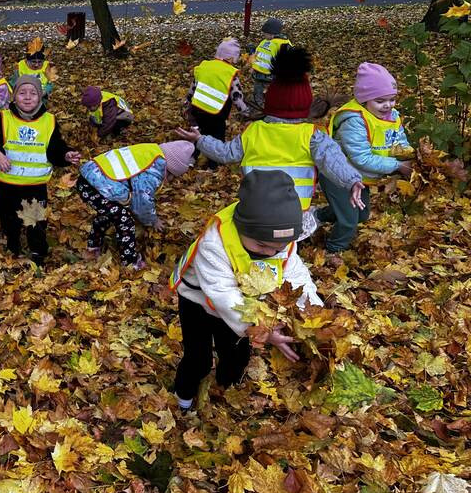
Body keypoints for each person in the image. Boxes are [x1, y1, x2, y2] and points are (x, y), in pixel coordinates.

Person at [169, 171, 321, 410]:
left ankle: (226, 390)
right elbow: (223, 295)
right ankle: (183, 399)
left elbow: (297, 277)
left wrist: (315, 314)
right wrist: (261, 330)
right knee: (198, 358)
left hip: (241, 303)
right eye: (261, 245)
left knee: (236, 355)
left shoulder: (281, 242)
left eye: (278, 248)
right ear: (243, 228)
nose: (270, 253)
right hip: (198, 301)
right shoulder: (214, 243)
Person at [179, 45, 364, 236]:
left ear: (271, 101)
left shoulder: (254, 131)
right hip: (293, 212)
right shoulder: (313, 136)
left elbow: (225, 153)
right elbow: (333, 161)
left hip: (256, 209)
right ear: (305, 104)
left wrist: (200, 140)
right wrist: (352, 180)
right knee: (286, 243)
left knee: (258, 241)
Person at [0, 75, 80, 264]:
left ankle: (38, 253)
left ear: (40, 96)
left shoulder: (49, 121)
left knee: (36, 220)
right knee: (9, 218)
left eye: (33, 93)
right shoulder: (5, 118)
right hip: (8, 183)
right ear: (14, 97)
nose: (27, 97)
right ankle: (13, 247)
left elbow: (55, 148)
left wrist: (66, 155)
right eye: (22, 93)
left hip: (35, 184)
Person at [318, 63, 412, 255]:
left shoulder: (392, 116)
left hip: (360, 178)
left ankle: (318, 215)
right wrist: (397, 166)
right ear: (364, 99)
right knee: (349, 221)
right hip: (338, 176)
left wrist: (412, 156)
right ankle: (333, 250)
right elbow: (361, 158)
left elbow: (399, 141)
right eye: (380, 101)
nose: (388, 105)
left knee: (362, 214)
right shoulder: (354, 121)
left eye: (392, 99)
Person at [77, 140, 194, 267]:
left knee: (110, 213)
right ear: (169, 170)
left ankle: (93, 245)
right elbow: (142, 202)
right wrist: (152, 221)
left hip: (89, 178)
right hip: (95, 187)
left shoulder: (149, 153)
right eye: (173, 177)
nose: (170, 181)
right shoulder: (152, 173)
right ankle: (130, 262)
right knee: (125, 220)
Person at [184, 38, 252, 145]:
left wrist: (187, 103)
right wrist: (246, 112)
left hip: (197, 110)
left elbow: (193, 88)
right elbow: (236, 97)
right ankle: (212, 155)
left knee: (199, 134)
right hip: (216, 115)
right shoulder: (230, 74)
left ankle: (194, 152)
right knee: (217, 138)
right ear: (231, 58)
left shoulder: (204, 67)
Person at [250, 19, 291, 108]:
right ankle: (259, 105)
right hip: (259, 74)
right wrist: (253, 66)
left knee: (273, 93)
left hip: (272, 76)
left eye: (265, 33)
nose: (263, 35)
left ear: (271, 33)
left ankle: (273, 107)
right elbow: (258, 54)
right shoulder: (265, 42)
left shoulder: (282, 44)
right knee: (258, 91)